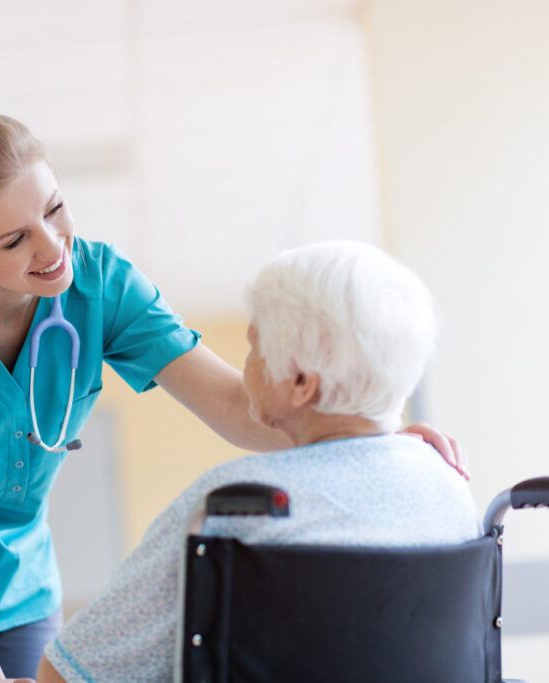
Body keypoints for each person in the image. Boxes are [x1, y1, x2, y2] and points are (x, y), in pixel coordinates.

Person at [0, 112, 467, 683]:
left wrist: (368, 438)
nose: (54, 246)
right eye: (13, 239)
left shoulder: (102, 285)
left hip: (14, 579)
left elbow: (240, 406)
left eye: (54, 208)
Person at [36, 241, 480, 683]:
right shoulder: (448, 488)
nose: (245, 365)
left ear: (301, 383)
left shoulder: (233, 508)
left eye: (253, 348)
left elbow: (67, 673)